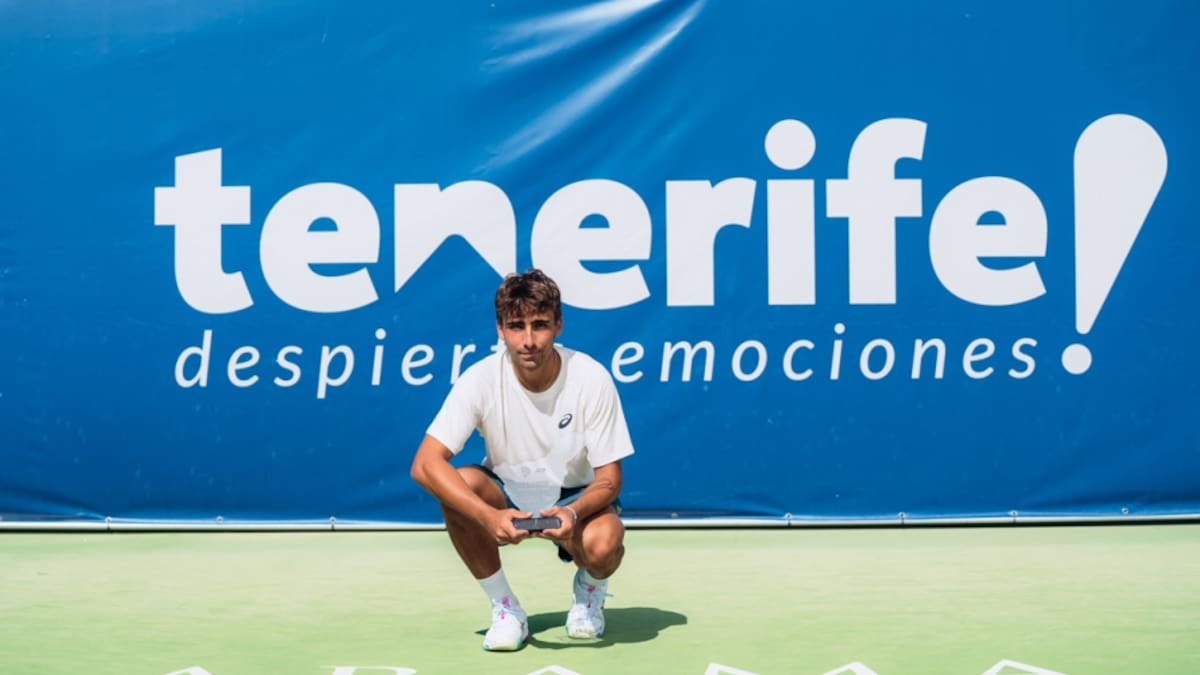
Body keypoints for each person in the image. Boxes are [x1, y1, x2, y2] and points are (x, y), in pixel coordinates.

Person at [410, 269, 635, 651]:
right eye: (516, 326)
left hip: (574, 497)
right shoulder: (480, 379)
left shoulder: (591, 378)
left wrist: (574, 513)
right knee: (456, 486)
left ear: (558, 325)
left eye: (540, 325)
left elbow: (610, 479)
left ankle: (590, 591)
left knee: (604, 544)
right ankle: (506, 609)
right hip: (505, 494)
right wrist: (488, 517)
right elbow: (425, 465)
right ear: (500, 329)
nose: (528, 340)